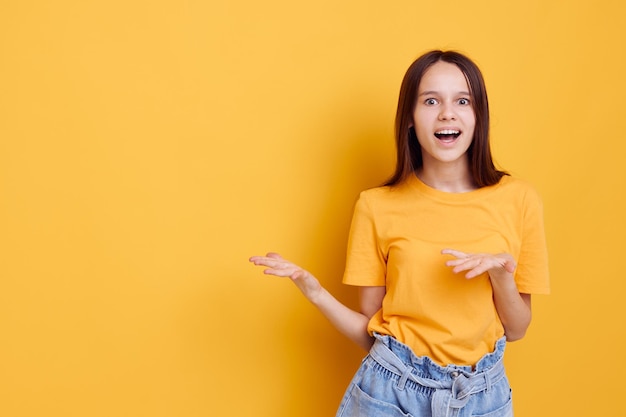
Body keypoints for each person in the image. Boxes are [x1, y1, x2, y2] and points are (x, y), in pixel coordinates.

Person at [249, 50, 550, 417]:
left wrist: (500, 275)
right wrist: (315, 293)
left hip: (481, 398)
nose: (447, 113)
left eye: (462, 101)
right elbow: (372, 332)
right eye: (430, 101)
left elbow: (517, 329)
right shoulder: (376, 206)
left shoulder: (519, 200)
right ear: (410, 117)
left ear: (478, 115)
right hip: (390, 394)